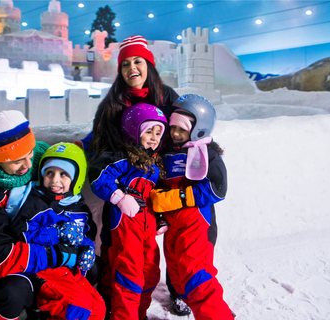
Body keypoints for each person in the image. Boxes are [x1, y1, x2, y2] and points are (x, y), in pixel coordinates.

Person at [77, 34, 192, 316]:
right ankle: (111, 302)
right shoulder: (113, 102)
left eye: (138, 61)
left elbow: (187, 129)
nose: (132, 69)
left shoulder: (166, 96)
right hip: (123, 180)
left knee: (176, 240)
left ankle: (178, 290)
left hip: (160, 176)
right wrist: (75, 152)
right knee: (117, 249)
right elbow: (99, 140)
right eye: (125, 64)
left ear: (149, 65)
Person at [0, 110, 82, 320]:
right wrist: (53, 255)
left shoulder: (39, 160)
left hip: (27, 250)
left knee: (83, 272)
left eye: (29, 154)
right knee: (12, 291)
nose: (28, 165)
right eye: (17, 160)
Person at [150, 94, 236, 320]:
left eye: (182, 129)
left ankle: (216, 315)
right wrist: (159, 207)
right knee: (177, 271)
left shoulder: (206, 153)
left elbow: (218, 189)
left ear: (199, 128)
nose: (175, 134)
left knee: (195, 273)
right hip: (172, 224)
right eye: (173, 127)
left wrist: (178, 197)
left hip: (197, 222)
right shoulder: (166, 150)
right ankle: (185, 297)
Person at [9, 142, 106, 319]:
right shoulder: (36, 203)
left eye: (63, 174)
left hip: (68, 268)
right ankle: (39, 311)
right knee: (80, 310)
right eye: (49, 173)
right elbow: (20, 233)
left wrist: (86, 247)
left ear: (76, 178)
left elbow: (84, 233)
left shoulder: (78, 207)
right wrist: (57, 233)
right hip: (42, 268)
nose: (54, 180)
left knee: (98, 308)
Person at [88, 103, 167, 320]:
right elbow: (98, 176)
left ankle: (138, 314)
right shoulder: (123, 157)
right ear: (133, 129)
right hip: (125, 225)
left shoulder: (153, 165)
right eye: (148, 130)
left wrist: (160, 218)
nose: (154, 137)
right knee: (128, 275)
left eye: (158, 132)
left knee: (150, 274)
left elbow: (155, 194)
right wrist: (120, 197)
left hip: (147, 227)